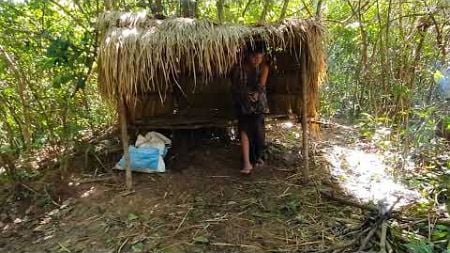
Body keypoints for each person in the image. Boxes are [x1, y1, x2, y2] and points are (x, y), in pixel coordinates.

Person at [231, 46, 269, 174]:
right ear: (248, 55)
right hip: (243, 103)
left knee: (258, 130)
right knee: (244, 129)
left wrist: (256, 95)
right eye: (254, 57)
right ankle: (247, 163)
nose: (256, 60)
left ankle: (258, 157)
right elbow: (235, 86)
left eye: (259, 57)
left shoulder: (264, 67)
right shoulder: (239, 68)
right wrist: (245, 95)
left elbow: (261, 86)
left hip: (258, 104)